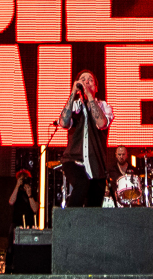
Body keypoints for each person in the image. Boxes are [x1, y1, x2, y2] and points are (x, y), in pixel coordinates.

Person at [58, 70, 113, 207]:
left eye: (90, 80)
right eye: (83, 79)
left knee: (94, 208)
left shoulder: (104, 107)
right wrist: (73, 93)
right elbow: (63, 123)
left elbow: (101, 123)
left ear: (96, 88)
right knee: (82, 183)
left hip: (97, 165)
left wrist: (89, 96)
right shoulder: (74, 106)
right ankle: (68, 218)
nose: (86, 81)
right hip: (73, 160)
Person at [8, 169, 39, 240]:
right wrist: (17, 185)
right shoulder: (16, 191)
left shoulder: (33, 192)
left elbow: (35, 209)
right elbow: (11, 202)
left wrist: (29, 195)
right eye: (22, 179)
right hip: (17, 224)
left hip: (29, 224)